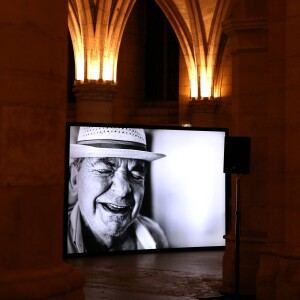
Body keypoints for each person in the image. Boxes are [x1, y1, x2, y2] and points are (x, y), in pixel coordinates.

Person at [67, 126, 169, 253]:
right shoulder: (49, 241)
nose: (123, 190)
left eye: (136, 175)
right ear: (75, 179)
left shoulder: (154, 236)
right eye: (104, 171)